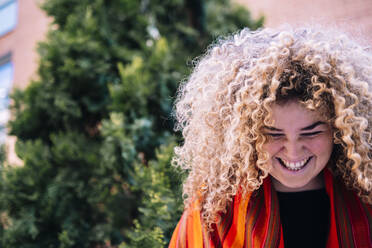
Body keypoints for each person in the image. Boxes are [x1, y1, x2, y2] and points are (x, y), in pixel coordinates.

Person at [169, 25, 372, 248]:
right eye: (273, 134)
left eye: (311, 132)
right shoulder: (215, 211)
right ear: (246, 134)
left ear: (340, 128)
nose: (293, 151)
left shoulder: (367, 197)